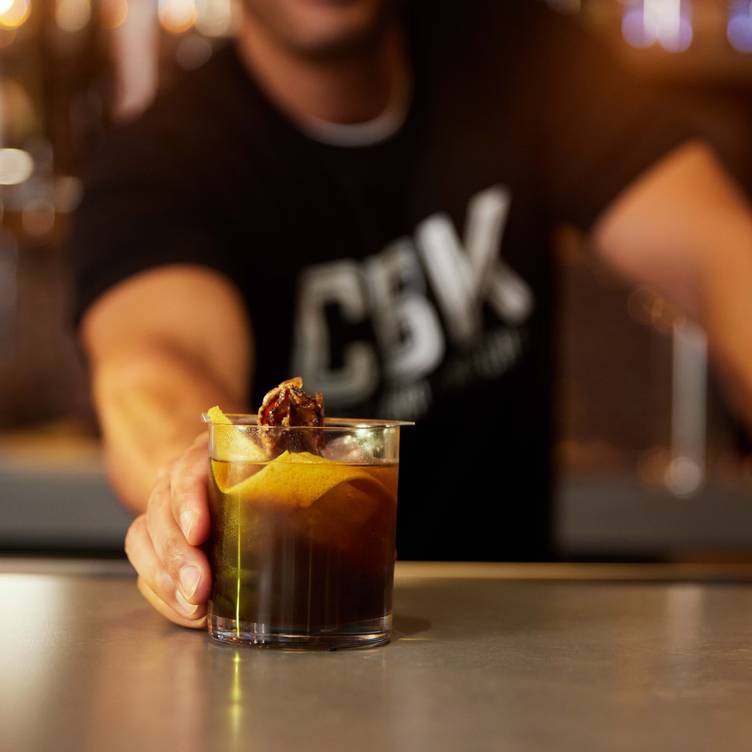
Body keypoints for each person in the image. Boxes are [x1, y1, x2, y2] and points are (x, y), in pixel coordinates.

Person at [71, 0, 752, 628]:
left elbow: (720, 257)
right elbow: (157, 364)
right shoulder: (158, 160)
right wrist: (191, 481)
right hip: (291, 644)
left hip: (512, 639)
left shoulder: (522, 52)